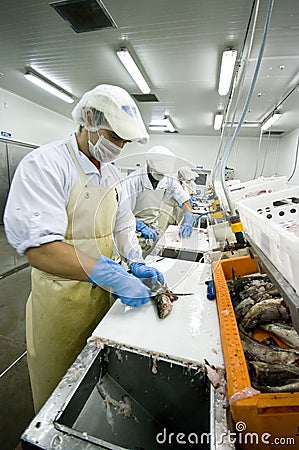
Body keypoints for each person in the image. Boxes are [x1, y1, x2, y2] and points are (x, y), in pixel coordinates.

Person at [3, 84, 164, 413]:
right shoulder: (45, 165)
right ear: (88, 119)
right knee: (58, 396)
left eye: (124, 141)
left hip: (105, 301)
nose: (118, 148)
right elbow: (41, 249)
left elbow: (122, 223)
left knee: (98, 385)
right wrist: (107, 272)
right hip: (61, 305)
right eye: (114, 136)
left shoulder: (114, 173)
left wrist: (134, 259)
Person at [123, 146, 195, 255]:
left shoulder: (168, 178)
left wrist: (188, 217)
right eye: (158, 172)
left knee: (151, 258)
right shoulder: (133, 180)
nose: (161, 176)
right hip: (132, 228)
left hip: (153, 227)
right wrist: (140, 226)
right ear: (148, 163)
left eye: (163, 173)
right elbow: (123, 212)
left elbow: (184, 198)